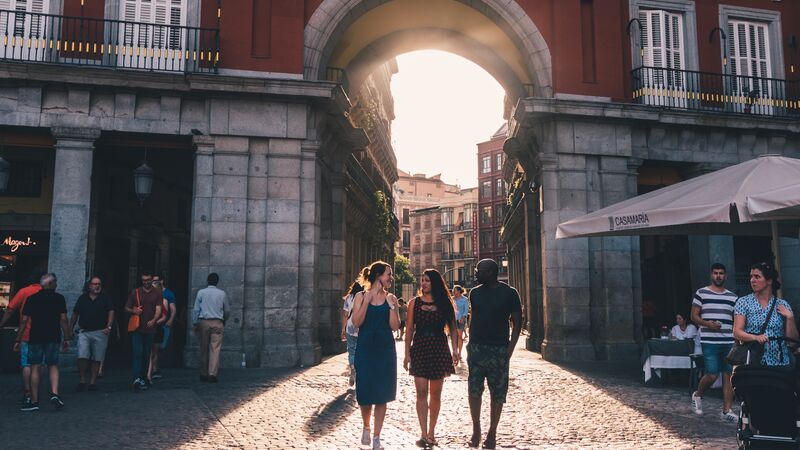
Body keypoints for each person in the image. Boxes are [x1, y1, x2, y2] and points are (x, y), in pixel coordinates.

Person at [467, 259, 522, 449]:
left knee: (497, 393)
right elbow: (473, 318)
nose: (476, 273)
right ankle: (476, 429)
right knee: (474, 391)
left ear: (490, 272)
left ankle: (492, 433)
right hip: (476, 348)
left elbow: (517, 323)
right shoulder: (474, 293)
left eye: (479, 270)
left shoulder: (510, 293)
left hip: (499, 349)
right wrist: (470, 344)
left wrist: (509, 351)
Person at [404, 269, 459, 448]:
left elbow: (452, 328)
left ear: (434, 283)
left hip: (438, 348)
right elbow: (410, 329)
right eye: (422, 280)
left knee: (435, 394)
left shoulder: (444, 303)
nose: (424, 283)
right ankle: (423, 433)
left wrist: (455, 351)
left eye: (427, 280)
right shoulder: (414, 303)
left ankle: (432, 432)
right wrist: (406, 353)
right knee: (421, 393)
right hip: (419, 348)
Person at [350, 261, 400, 450]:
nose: (391, 278)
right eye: (389, 274)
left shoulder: (391, 298)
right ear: (379, 275)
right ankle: (366, 426)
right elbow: (356, 322)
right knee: (365, 392)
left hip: (385, 350)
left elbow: (395, 326)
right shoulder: (360, 296)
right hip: (365, 348)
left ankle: (377, 437)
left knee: (382, 394)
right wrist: (367, 301)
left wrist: (392, 307)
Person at [14, 273, 71, 411]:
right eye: (55, 282)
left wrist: (18, 339)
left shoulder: (32, 299)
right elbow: (63, 319)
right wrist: (67, 337)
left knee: (35, 367)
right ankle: (55, 393)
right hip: (53, 336)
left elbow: (24, 320)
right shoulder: (59, 298)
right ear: (51, 284)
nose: (57, 284)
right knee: (53, 365)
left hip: (36, 337)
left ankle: (34, 401)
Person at [690, 263, 738, 421]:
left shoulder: (733, 297)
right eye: (716, 273)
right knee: (711, 374)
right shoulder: (701, 293)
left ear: (726, 276)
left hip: (729, 341)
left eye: (721, 273)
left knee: (728, 375)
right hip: (709, 341)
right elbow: (694, 316)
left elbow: (736, 320)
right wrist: (708, 324)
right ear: (711, 275)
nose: (718, 276)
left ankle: (726, 410)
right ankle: (698, 395)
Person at [733, 262, 797, 367]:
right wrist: (755, 337)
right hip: (753, 361)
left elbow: (792, 342)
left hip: (779, 361)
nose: (752, 280)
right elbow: (737, 332)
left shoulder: (782, 304)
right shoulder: (743, 302)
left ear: (769, 281)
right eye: (751, 277)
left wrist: (790, 318)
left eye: (757, 277)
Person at [0, 270, 43, 405]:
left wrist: (2, 324)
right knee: (39, 364)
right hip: (44, 334)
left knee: (26, 364)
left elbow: (11, 309)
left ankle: (27, 392)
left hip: (27, 333)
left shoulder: (24, 292)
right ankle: (36, 390)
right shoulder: (47, 292)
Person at [69, 276, 114, 391]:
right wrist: (70, 328)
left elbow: (111, 311)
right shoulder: (82, 298)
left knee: (97, 358)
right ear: (89, 286)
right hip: (84, 331)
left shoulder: (105, 298)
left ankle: (93, 382)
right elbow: (75, 313)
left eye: (99, 284)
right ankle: (82, 380)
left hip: (100, 331)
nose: (97, 286)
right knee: (82, 356)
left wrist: (109, 326)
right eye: (94, 284)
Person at [124, 270, 163, 391]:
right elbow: (126, 307)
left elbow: (159, 309)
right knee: (138, 353)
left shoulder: (157, 293)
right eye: (144, 280)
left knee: (146, 355)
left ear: (152, 280)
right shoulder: (135, 292)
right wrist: (134, 311)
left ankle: (143, 377)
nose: (146, 282)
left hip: (150, 328)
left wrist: (154, 320)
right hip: (137, 328)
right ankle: (137, 378)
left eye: (148, 280)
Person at [192, 272, 229, 383]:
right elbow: (227, 310)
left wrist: (195, 323)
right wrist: (223, 320)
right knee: (215, 349)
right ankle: (212, 373)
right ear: (217, 282)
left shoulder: (201, 292)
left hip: (204, 322)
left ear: (207, 281)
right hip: (218, 322)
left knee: (204, 348)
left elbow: (196, 309)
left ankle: (203, 373)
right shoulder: (222, 294)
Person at [341, 269, 366, 388]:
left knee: (351, 350)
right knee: (361, 351)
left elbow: (345, 315)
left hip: (350, 327)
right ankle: (360, 372)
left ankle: (352, 368)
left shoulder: (348, 299)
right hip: (361, 327)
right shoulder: (363, 297)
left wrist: (343, 329)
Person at [149, 273, 176, 380]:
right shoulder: (149, 293)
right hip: (151, 326)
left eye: (156, 281)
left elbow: (172, 309)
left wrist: (170, 320)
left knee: (160, 347)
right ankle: (153, 369)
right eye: (153, 281)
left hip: (162, 324)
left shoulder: (168, 294)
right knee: (152, 349)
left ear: (162, 281)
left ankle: (155, 367)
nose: (154, 283)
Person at [453, 285, 469, 353]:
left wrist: (463, 317)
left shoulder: (465, 299)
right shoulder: (452, 299)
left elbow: (466, 310)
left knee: (459, 336)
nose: (453, 291)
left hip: (461, 320)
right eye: (453, 290)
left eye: (455, 290)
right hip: (453, 320)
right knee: (454, 337)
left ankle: (459, 353)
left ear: (459, 291)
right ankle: (455, 352)